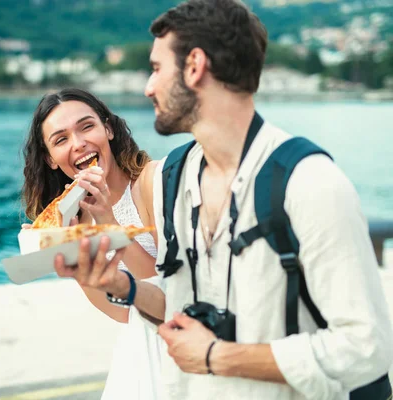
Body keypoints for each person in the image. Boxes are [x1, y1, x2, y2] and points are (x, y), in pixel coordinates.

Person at [53, 1, 393, 399]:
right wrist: (122, 285)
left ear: (194, 66)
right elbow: (176, 305)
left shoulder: (310, 182)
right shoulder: (172, 180)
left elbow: (365, 351)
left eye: (157, 68)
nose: (148, 86)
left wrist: (218, 357)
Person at [21, 88, 163, 399]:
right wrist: (69, 254)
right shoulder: (76, 219)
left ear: (108, 129)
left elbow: (168, 292)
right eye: (61, 140)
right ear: (51, 160)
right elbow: (123, 314)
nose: (78, 143)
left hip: (180, 340)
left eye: (87, 127)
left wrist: (110, 225)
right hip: (138, 350)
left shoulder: (152, 181)